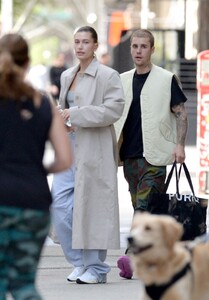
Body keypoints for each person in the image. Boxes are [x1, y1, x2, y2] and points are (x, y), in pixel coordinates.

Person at [0, 33, 72, 299]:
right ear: (28, 62)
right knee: (23, 285)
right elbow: (64, 159)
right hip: (33, 201)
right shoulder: (43, 103)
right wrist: (38, 170)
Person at [51, 25, 125, 284]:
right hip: (69, 146)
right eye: (77, 42)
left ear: (95, 46)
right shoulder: (67, 75)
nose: (80, 46)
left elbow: (113, 110)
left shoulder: (108, 75)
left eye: (85, 42)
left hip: (94, 147)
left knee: (92, 206)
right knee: (59, 204)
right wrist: (62, 117)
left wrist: (76, 114)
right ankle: (79, 262)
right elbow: (65, 106)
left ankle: (96, 268)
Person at [114, 29, 188, 279]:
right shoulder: (122, 80)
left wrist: (180, 145)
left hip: (156, 155)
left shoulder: (166, 78)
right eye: (134, 46)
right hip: (130, 157)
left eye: (143, 46)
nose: (138, 51)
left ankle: (131, 256)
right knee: (141, 207)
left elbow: (181, 113)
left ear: (152, 50)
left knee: (144, 208)